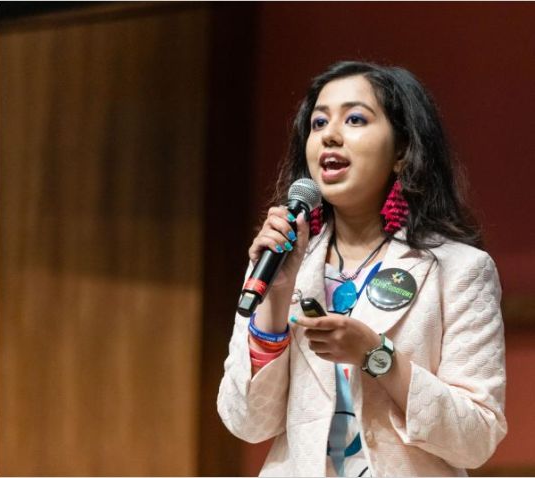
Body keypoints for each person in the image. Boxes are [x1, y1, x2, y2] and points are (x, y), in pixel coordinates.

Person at [217, 61, 507, 477]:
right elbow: (246, 423)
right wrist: (276, 299)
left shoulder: (459, 271)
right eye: (318, 123)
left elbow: (476, 438)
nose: (330, 135)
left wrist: (377, 355)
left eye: (355, 119)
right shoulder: (279, 261)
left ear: (403, 153)